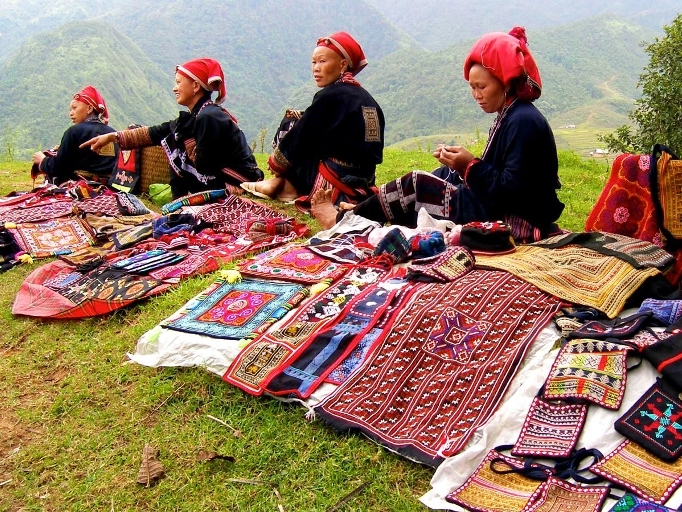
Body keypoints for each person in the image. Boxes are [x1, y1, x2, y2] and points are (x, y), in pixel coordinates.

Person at [312, 27, 565, 244]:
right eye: (472, 87)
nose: (476, 94)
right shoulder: (511, 114)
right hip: (497, 205)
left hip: (512, 218)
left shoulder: (523, 122)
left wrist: (470, 165)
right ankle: (362, 211)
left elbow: (513, 192)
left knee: (417, 185)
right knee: (445, 174)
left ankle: (341, 221)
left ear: (506, 83)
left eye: (482, 87)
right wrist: (460, 165)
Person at [240, 31, 385, 210]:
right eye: (314, 62)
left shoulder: (330, 96)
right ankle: (283, 185)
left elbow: (302, 135)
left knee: (293, 123)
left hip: (334, 181)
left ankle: (283, 185)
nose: (316, 68)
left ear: (343, 64)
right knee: (307, 123)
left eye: (323, 61)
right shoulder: (368, 99)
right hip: (365, 180)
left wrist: (277, 163)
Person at [81, 58, 263, 199]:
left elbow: (206, 166)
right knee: (172, 135)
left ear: (195, 86)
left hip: (236, 181)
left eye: (178, 82)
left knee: (174, 139)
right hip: (219, 178)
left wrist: (183, 142)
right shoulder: (197, 116)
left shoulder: (209, 117)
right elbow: (155, 133)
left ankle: (183, 198)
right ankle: (181, 199)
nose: (174, 88)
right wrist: (113, 137)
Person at [32, 85, 118, 185]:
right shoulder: (113, 133)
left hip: (82, 187)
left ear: (89, 108)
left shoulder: (74, 132)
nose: (71, 113)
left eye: (74, 108)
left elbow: (59, 167)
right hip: (110, 187)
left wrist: (42, 160)